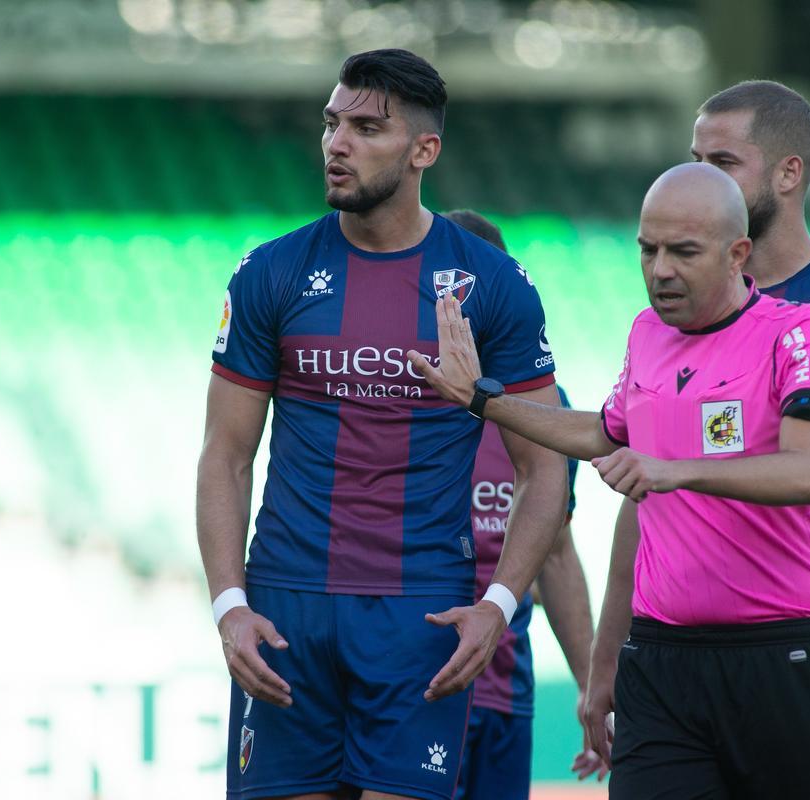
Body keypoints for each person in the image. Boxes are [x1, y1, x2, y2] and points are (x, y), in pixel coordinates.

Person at [410, 162, 810, 799]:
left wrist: (670, 469)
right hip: (661, 662)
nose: (660, 270)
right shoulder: (647, 332)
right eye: (647, 251)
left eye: (683, 252)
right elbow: (604, 430)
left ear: (738, 254)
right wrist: (482, 399)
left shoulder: (798, 330)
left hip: (782, 656)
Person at [196, 49, 570, 800]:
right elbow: (224, 456)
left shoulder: (492, 284)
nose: (337, 143)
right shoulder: (269, 273)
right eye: (332, 123)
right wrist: (230, 606)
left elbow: (545, 469)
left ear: (424, 150)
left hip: (419, 612)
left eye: (367, 128)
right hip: (286, 609)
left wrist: (498, 606)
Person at [581, 80, 810, 797]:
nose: (701, 175)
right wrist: (607, 654)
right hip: (678, 656)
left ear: (788, 173)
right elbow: (643, 491)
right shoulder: (676, 310)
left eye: (723, 160)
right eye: (694, 157)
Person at [441, 209, 595, 800]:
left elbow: (555, 553)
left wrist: (590, 688)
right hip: (412, 687)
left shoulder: (545, 408)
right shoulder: (391, 398)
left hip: (506, 693)